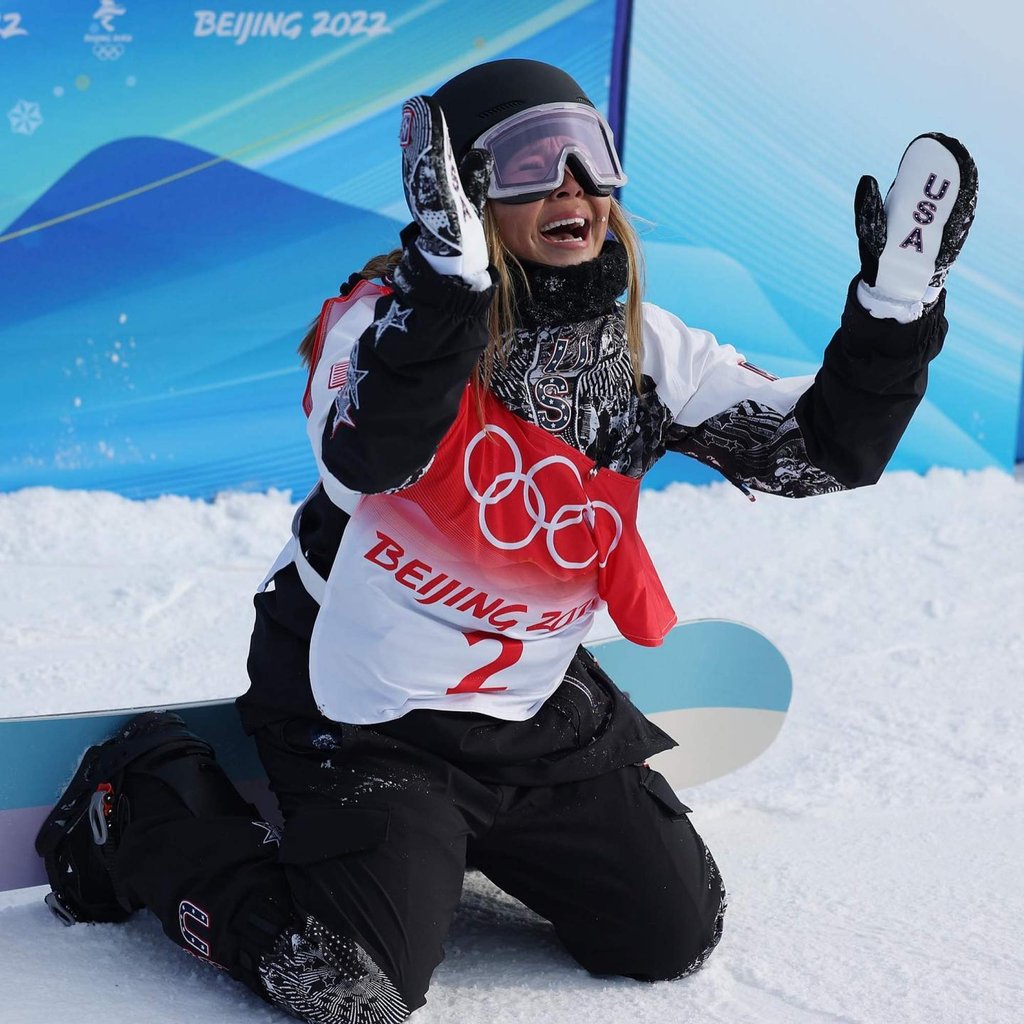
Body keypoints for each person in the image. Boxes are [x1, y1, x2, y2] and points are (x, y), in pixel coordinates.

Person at [36, 59, 976, 1023]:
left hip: (528, 710)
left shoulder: (642, 351)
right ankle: (141, 799)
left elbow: (815, 454)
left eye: (591, 155)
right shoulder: (375, 328)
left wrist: (894, 311)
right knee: (349, 992)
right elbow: (369, 456)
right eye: (531, 159)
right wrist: (448, 292)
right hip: (366, 717)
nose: (571, 183)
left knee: (670, 936)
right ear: (465, 191)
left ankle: (447, 849)